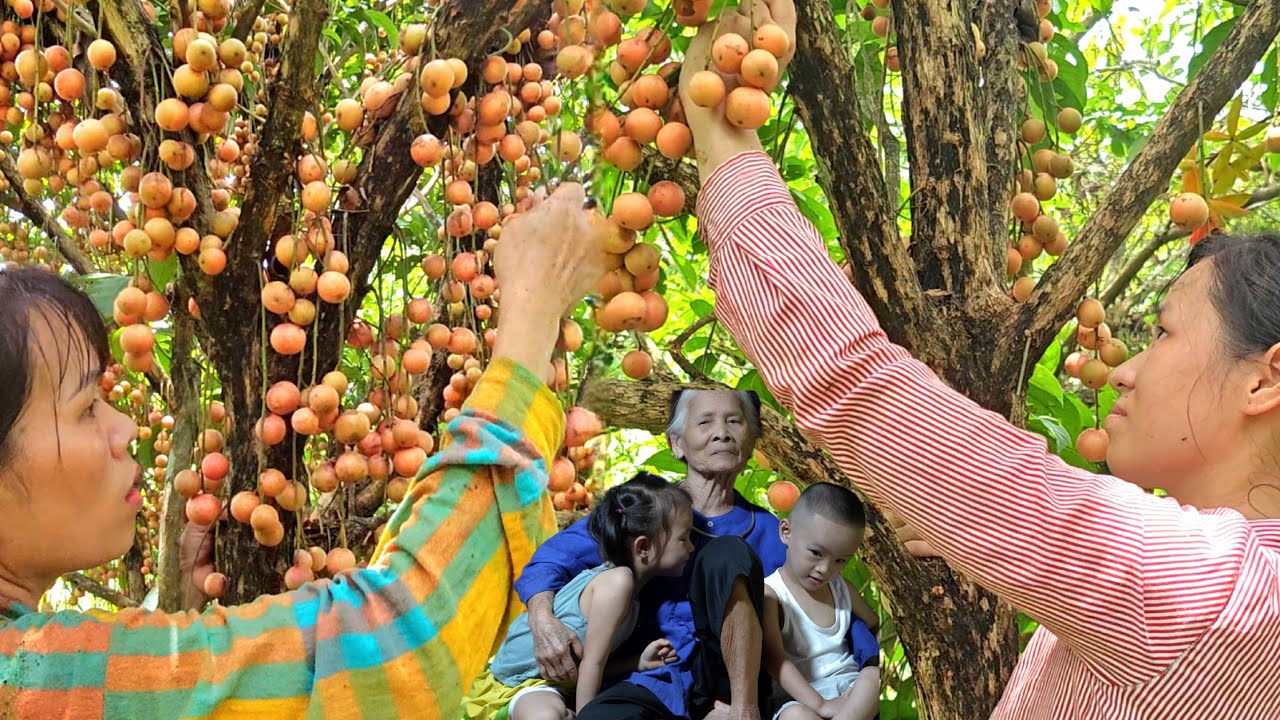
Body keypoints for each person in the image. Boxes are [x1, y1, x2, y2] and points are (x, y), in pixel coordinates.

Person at [678, 1, 1280, 717]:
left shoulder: (1203, 593)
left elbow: (859, 385)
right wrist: (979, 527)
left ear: (1264, 380)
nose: (1127, 368)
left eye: (1166, 333)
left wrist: (717, 133)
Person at [0, 182, 604, 718]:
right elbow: (391, 653)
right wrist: (532, 315)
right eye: (85, 407)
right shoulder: (25, 682)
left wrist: (180, 615)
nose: (123, 429)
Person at [515, 390, 880, 720]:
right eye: (705, 422)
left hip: (732, 688)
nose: (721, 433)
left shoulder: (775, 534)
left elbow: (835, 605)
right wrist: (543, 620)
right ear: (676, 444)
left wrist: (866, 666)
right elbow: (550, 562)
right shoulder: (645, 511)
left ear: (751, 444)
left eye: (734, 422)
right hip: (648, 675)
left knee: (728, 553)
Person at [466, 474, 694, 720]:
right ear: (643, 547)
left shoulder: (630, 590)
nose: (691, 547)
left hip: (553, 685)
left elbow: (589, 661)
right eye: (684, 538)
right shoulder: (618, 583)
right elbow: (592, 665)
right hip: (518, 683)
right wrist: (589, 715)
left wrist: (637, 662)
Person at [762, 483, 879, 720]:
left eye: (840, 561)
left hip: (850, 695)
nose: (825, 569)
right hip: (801, 699)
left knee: (873, 677)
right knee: (794, 716)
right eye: (816, 553)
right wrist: (821, 705)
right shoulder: (771, 594)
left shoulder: (841, 588)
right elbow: (774, 660)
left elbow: (873, 623)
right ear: (786, 532)